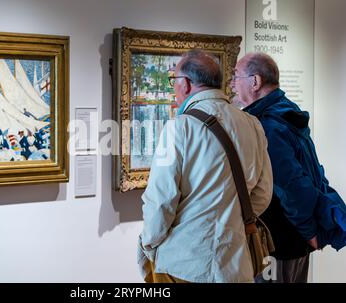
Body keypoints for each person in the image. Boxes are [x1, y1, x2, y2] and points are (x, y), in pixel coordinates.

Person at [137, 50, 273, 283]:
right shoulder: (252, 124)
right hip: (235, 264)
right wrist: (229, 221)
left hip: (184, 264)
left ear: (186, 84)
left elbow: (161, 202)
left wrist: (149, 245)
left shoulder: (178, 128)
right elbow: (262, 193)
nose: (174, 88)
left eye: (174, 81)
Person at [231, 52, 346, 283]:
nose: (232, 83)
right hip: (293, 239)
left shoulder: (268, 125)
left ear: (255, 82)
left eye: (236, 76)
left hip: (279, 240)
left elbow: (291, 183)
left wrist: (310, 231)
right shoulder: (286, 111)